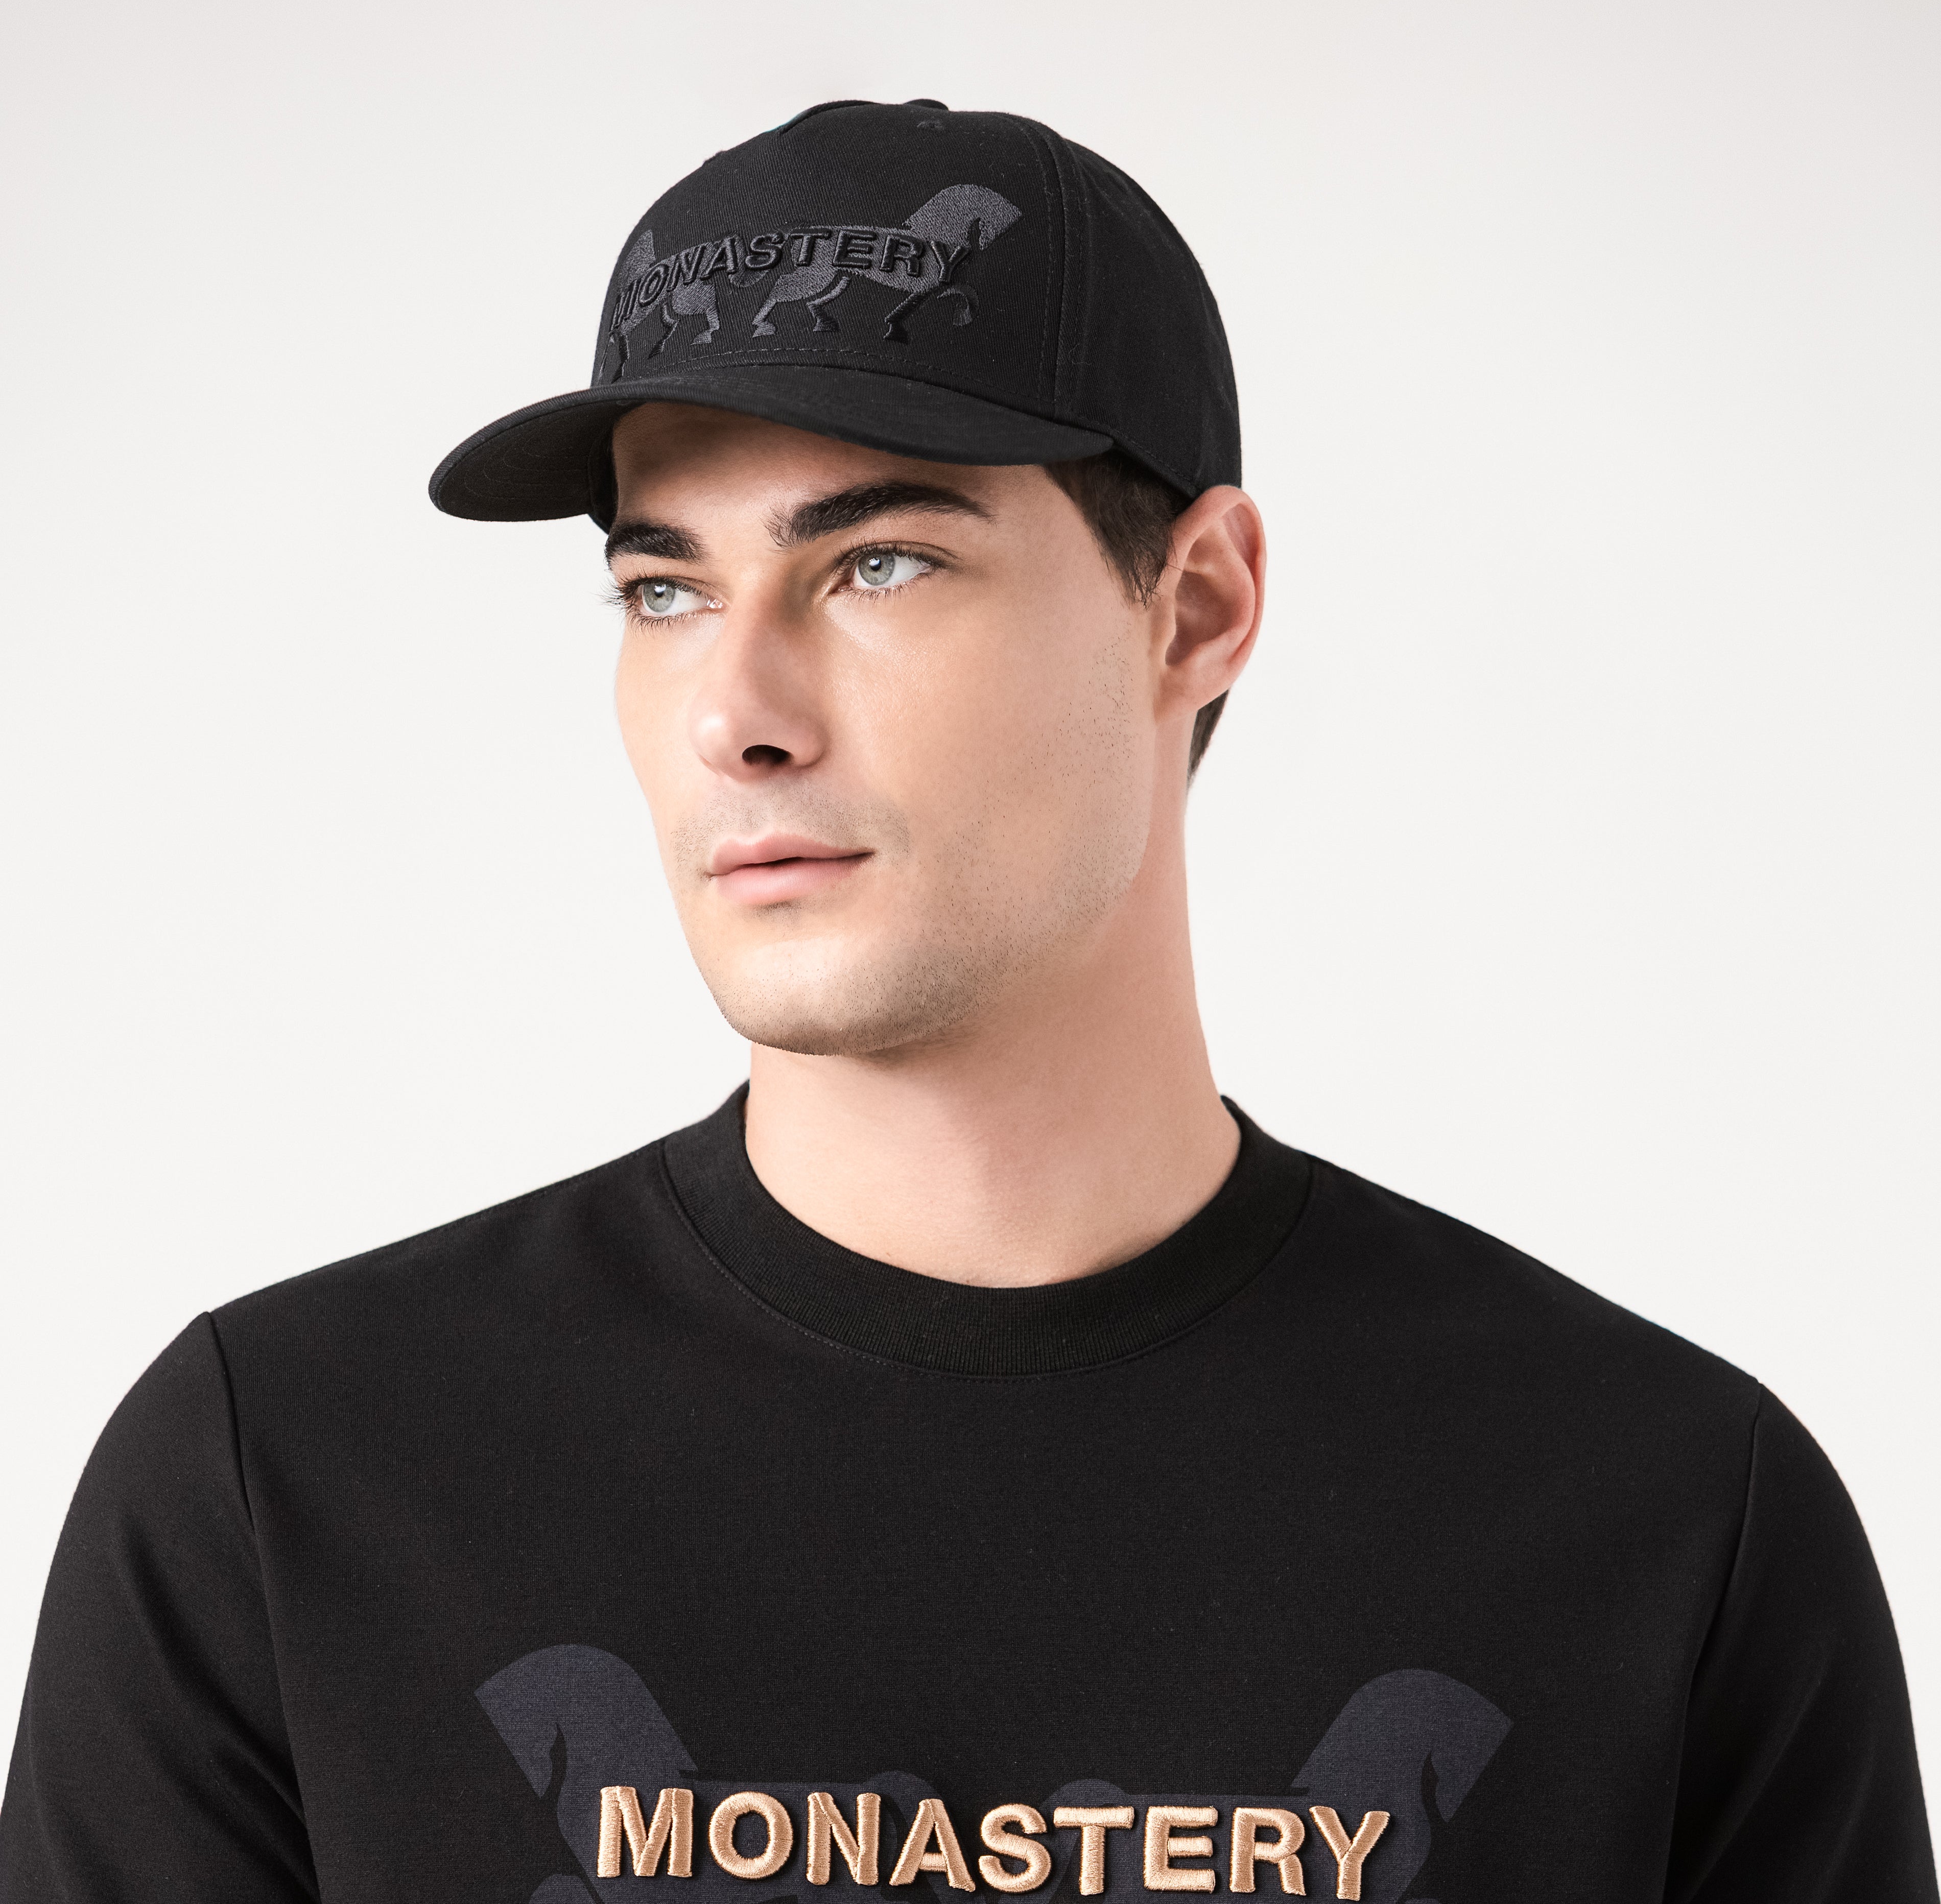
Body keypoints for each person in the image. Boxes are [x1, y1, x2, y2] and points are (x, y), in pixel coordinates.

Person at [0, 98, 1931, 1904]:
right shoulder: (293, 1486)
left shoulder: (1663, 1520)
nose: (736, 714)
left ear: (1197, 607)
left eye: (880, 563)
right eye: (664, 589)